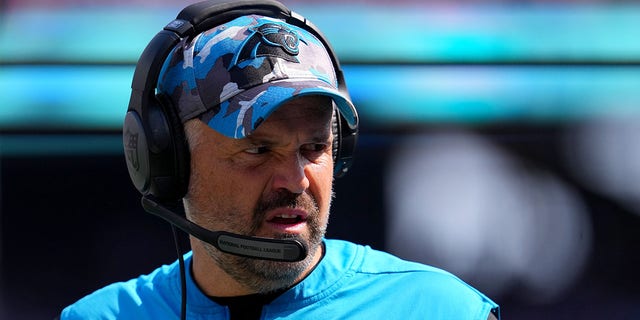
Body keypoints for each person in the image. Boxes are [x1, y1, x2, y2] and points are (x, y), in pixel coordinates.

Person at [60, 0, 499, 319]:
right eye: (258, 150)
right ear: (169, 159)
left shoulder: (439, 310)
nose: (295, 180)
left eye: (314, 149)